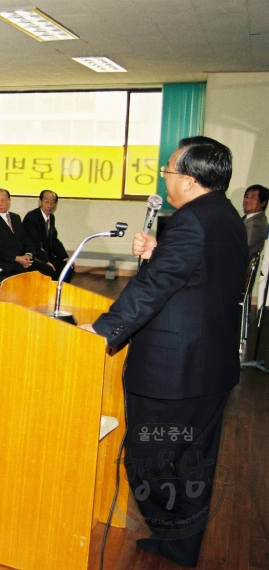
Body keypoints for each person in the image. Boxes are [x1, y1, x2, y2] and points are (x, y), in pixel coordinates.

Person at [88, 137, 247, 568]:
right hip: (211, 364)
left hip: (173, 371)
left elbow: (153, 287)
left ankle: (171, 533)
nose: (165, 178)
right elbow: (203, 276)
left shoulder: (190, 221)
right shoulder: (227, 216)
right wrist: (161, 253)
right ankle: (182, 545)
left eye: (169, 172)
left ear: (191, 181)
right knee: (194, 462)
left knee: (147, 460)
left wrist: (101, 332)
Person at [0, 189, 54, 278]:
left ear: (9, 201)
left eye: (3, 200)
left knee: (47, 270)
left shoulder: (15, 217)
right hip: (6, 262)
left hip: (23, 258)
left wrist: (28, 254)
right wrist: (17, 258)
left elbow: (25, 238)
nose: (0, 203)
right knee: (27, 275)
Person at [22, 190, 70, 281]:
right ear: (40, 202)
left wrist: (65, 258)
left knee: (67, 267)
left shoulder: (51, 217)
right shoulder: (32, 217)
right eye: (46, 201)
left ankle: (59, 292)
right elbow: (35, 243)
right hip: (34, 256)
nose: (49, 205)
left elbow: (54, 240)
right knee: (48, 269)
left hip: (46, 254)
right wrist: (46, 261)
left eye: (52, 202)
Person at [242, 183, 268, 258]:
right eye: (246, 196)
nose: (247, 200)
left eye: (253, 197)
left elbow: (242, 248)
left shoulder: (257, 224)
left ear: (263, 203)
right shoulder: (248, 218)